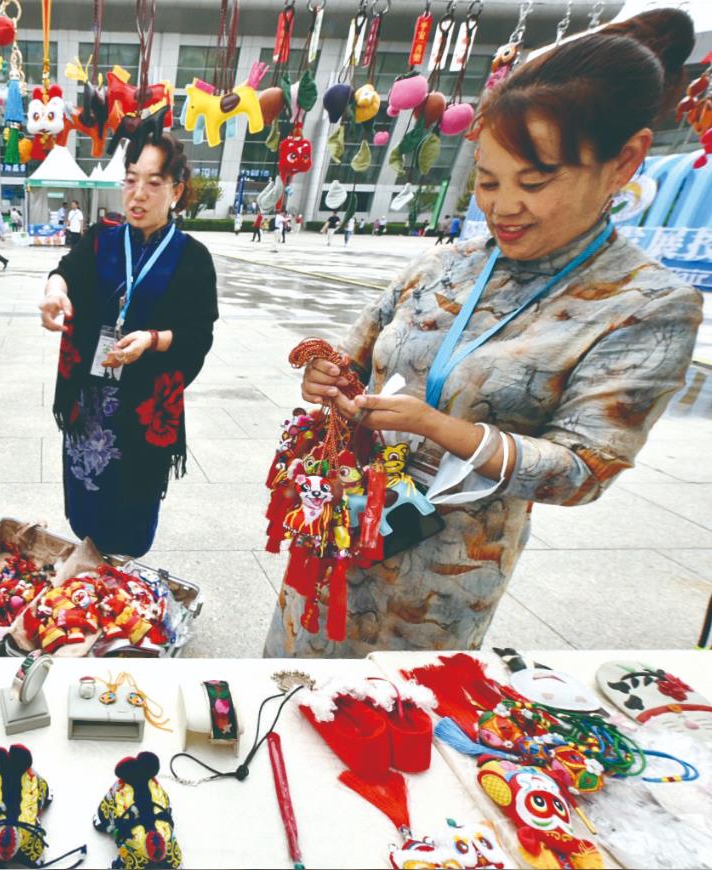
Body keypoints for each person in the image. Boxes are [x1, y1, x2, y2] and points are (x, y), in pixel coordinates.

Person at [266, 9, 701, 657]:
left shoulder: (645, 304)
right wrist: (327, 375)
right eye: (488, 182)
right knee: (288, 682)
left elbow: (585, 468)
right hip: (341, 523)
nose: (502, 206)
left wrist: (441, 429)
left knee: (400, 703)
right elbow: (355, 352)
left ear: (624, 162)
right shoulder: (446, 265)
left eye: (535, 181)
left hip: (444, 572)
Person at [38, 129, 218, 558]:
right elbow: (66, 270)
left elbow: (198, 334)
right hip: (90, 404)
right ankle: (90, 567)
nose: (138, 194)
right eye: (131, 179)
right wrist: (54, 291)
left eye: (153, 183)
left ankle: (120, 574)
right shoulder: (101, 239)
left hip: (142, 412)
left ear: (177, 191)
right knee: (85, 507)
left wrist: (152, 341)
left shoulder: (192, 257)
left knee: (131, 518)